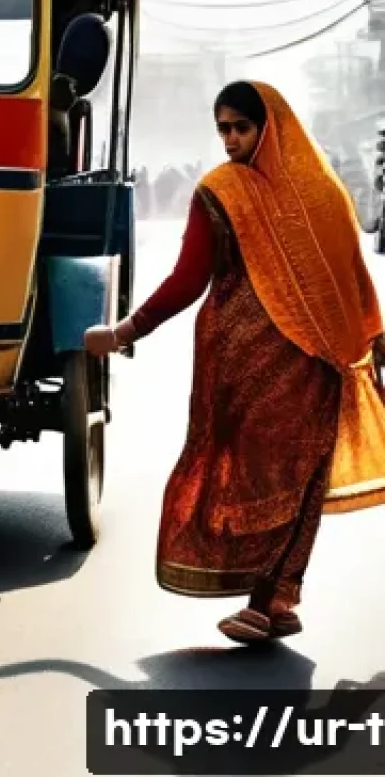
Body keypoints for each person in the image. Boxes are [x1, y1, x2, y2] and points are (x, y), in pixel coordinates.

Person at [85, 81, 385, 644]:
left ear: (269, 126)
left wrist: (374, 340)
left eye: (240, 127)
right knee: (251, 474)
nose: (229, 140)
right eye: (221, 128)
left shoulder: (321, 193)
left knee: (302, 477)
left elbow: (350, 274)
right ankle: (272, 596)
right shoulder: (223, 192)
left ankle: (270, 596)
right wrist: (131, 329)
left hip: (312, 363)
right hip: (242, 367)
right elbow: (188, 279)